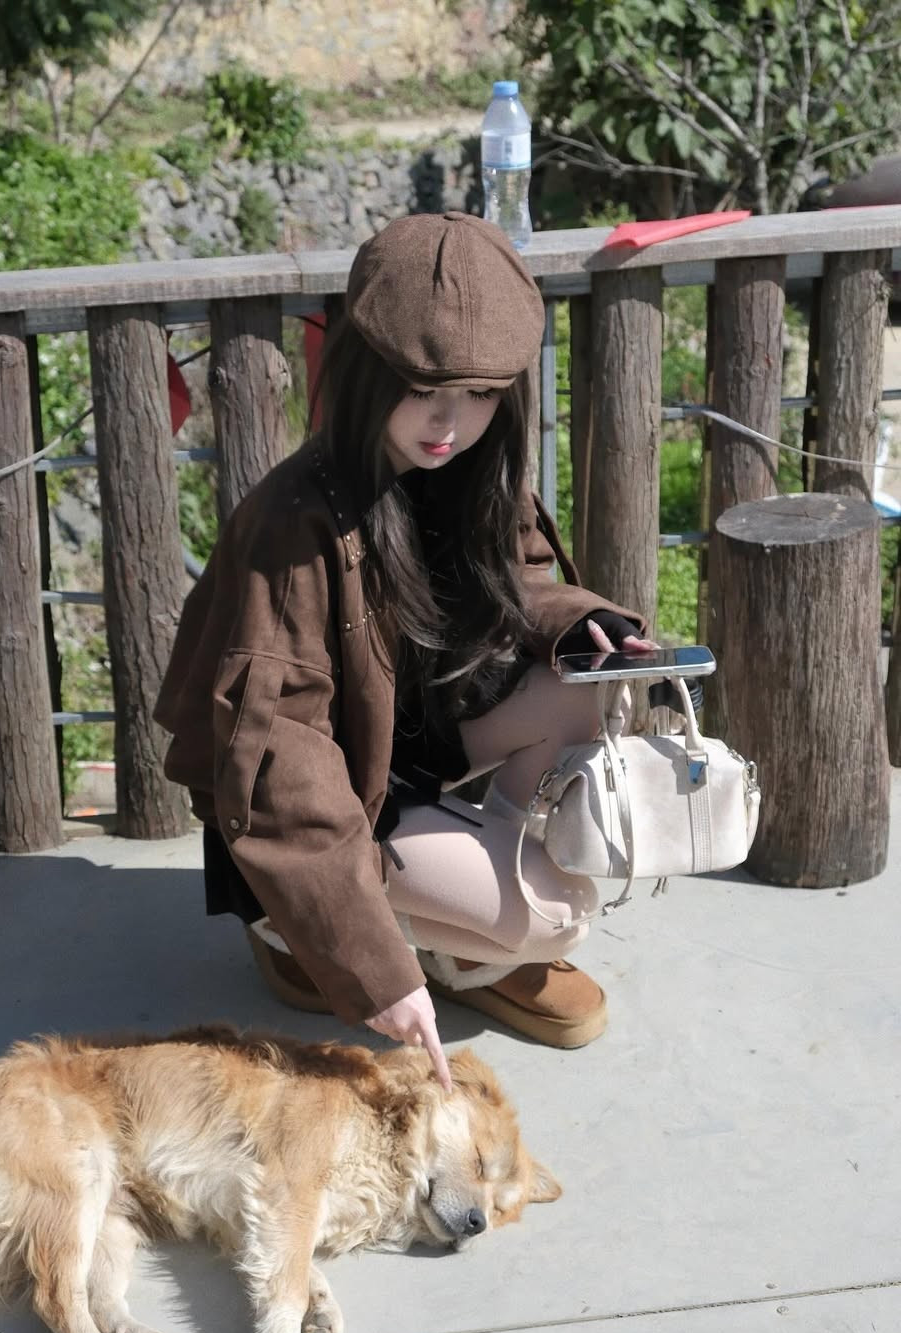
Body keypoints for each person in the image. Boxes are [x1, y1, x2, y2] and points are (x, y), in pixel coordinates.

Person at [153, 211, 648, 1090]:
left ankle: (458, 912)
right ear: (365, 368)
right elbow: (279, 765)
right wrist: (372, 968)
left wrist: (580, 622)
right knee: (559, 913)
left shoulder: (467, 467)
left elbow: (521, 579)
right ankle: (309, 935)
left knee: (587, 687)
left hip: (404, 746)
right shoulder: (292, 524)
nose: (451, 423)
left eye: (485, 393)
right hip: (319, 800)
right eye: (425, 393)